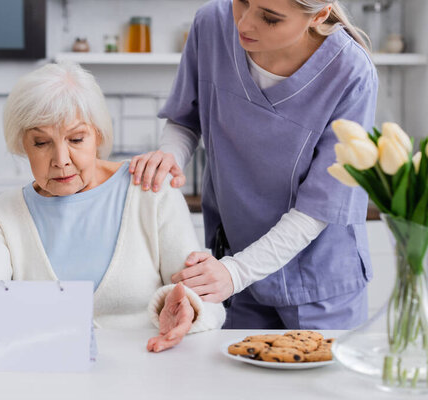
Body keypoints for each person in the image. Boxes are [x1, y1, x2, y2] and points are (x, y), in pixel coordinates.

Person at [0, 62, 225, 352]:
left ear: (98, 135)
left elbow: (208, 302)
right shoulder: (2, 217)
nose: (61, 160)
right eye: (41, 142)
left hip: (148, 378)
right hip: (41, 383)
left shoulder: (151, 191)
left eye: (76, 139)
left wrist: (188, 310)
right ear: (22, 144)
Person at [130, 0, 378, 329]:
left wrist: (237, 272)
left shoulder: (350, 73)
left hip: (317, 286)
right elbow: (185, 119)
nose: (244, 24)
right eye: (242, 2)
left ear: (318, 15)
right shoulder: (211, 24)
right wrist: (169, 157)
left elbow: (320, 207)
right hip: (234, 273)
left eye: (270, 18)